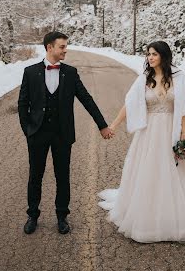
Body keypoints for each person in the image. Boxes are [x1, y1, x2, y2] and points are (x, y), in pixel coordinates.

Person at [98, 40, 185, 243]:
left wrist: (184, 133)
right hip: (149, 134)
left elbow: (181, 107)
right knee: (149, 171)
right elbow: (128, 105)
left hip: (170, 131)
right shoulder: (143, 79)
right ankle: (146, 217)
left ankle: (174, 216)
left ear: (164, 56)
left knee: (173, 171)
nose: (150, 57)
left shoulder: (178, 77)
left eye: (154, 54)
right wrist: (113, 125)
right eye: (148, 54)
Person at [18, 31, 114, 235]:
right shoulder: (30, 72)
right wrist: (28, 131)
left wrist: (102, 125)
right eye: (62, 47)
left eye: (66, 46)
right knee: (35, 176)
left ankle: (62, 216)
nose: (65, 50)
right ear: (49, 47)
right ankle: (32, 215)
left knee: (63, 176)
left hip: (62, 134)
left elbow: (86, 99)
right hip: (37, 133)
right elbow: (22, 104)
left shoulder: (70, 73)